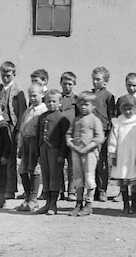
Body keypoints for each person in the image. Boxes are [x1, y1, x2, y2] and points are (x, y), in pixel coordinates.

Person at [65, 91, 105, 217]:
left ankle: (88, 205)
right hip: (76, 152)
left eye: (86, 104)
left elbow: (99, 138)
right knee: (78, 178)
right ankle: (78, 204)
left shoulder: (95, 120)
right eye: (81, 104)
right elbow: (68, 134)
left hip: (89, 153)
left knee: (89, 178)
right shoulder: (76, 120)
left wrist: (87, 148)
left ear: (93, 106)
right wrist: (71, 144)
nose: (83, 107)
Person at [108, 94, 136, 215]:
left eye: (130, 108)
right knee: (123, 179)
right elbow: (113, 139)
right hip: (122, 156)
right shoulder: (118, 122)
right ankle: (126, 204)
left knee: (134, 179)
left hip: (134, 155)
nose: (128, 111)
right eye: (125, 109)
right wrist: (113, 154)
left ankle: (134, 204)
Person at [0, 61, 23, 199]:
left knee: (10, 159)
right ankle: (0, 188)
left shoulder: (18, 92)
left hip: (11, 127)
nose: (5, 78)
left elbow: (22, 112)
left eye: (8, 75)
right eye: (3, 75)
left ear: (14, 75)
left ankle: (10, 189)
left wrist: (19, 131)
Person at [35, 90, 69, 215]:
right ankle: (47, 202)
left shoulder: (62, 118)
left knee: (55, 176)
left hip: (55, 150)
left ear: (60, 103)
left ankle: (53, 204)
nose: (51, 104)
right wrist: (38, 152)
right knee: (46, 176)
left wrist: (62, 154)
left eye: (54, 101)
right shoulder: (41, 117)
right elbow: (38, 135)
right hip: (43, 148)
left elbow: (65, 138)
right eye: (48, 101)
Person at [14, 82, 47, 212]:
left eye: (34, 95)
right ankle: (27, 198)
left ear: (42, 94)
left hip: (35, 143)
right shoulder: (28, 111)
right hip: (26, 142)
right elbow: (22, 129)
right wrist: (20, 146)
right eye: (30, 96)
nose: (32, 98)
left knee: (34, 170)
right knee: (22, 170)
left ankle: (33, 199)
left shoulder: (43, 111)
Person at [90, 66, 117, 202]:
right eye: (93, 79)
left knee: (101, 162)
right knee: (91, 162)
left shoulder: (108, 96)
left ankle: (102, 190)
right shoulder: (88, 95)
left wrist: (109, 131)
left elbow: (112, 115)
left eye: (98, 80)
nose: (95, 82)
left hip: (103, 133)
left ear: (105, 82)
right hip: (89, 133)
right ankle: (91, 190)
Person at [59, 71, 78, 201]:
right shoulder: (57, 97)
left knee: (72, 165)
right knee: (59, 164)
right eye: (65, 84)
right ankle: (60, 191)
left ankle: (72, 191)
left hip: (72, 135)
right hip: (57, 135)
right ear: (60, 83)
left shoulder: (76, 100)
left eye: (70, 84)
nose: (67, 86)